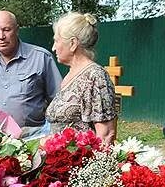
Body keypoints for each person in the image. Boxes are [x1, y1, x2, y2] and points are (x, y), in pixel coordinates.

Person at [0, 11, 61, 137]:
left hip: (31, 139)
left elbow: (57, 99)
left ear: (17, 30)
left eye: (6, 29)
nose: (1, 36)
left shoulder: (41, 58)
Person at [45, 12, 117, 145]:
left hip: (82, 161)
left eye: (56, 41)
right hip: (61, 161)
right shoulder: (71, 75)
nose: (53, 48)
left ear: (72, 43)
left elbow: (106, 135)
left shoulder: (95, 76)